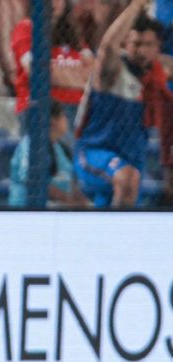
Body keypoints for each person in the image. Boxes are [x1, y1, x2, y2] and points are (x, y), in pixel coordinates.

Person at [74, 0, 164, 208]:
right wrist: (137, 4)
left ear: (157, 47)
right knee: (127, 179)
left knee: (124, 189)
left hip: (132, 161)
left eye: (148, 45)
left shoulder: (156, 76)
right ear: (126, 44)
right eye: (136, 44)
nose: (141, 51)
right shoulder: (112, 72)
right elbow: (107, 47)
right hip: (94, 154)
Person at [11, 0, 93, 147]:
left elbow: (93, 73)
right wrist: (80, 80)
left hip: (80, 110)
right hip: (45, 108)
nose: (53, 3)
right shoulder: (26, 28)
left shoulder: (74, 36)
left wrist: (55, 73)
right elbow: (37, 71)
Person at [9, 101, 89, 208]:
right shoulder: (30, 145)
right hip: (29, 209)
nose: (66, 120)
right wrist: (67, 199)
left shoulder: (61, 148)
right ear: (53, 121)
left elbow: (70, 182)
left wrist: (81, 201)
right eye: (63, 116)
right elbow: (33, 181)